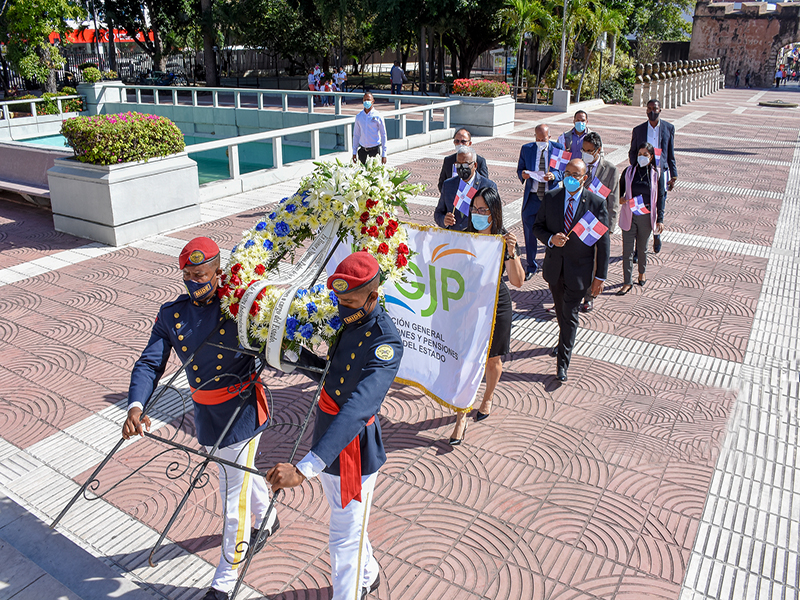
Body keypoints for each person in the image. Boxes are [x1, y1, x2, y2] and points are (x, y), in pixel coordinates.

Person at [122, 237, 278, 600]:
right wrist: (135, 407)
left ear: (218, 272)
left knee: (231, 496)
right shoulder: (172, 314)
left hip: (240, 412)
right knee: (236, 472)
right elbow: (149, 363)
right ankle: (269, 520)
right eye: (188, 274)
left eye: (201, 274)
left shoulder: (239, 304)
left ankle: (224, 583)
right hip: (206, 413)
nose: (194, 281)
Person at [267, 252, 402, 600]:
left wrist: (305, 468)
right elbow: (334, 375)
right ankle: (369, 572)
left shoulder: (386, 342)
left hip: (352, 449)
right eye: (339, 300)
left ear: (374, 296)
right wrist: (294, 356)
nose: (342, 307)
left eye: (350, 301)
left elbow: (358, 407)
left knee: (343, 538)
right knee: (350, 525)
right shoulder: (352, 322)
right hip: (327, 436)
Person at [449, 187, 524, 445]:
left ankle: (488, 397)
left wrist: (512, 254)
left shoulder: (504, 240)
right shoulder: (465, 237)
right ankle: (461, 417)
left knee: (493, 360)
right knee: (466, 362)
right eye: (475, 209)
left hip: (497, 304)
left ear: (494, 213)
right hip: (469, 304)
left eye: (484, 210)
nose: (478, 214)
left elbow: (518, 281)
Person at [532, 158, 610, 382]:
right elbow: (537, 226)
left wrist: (599, 277)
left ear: (584, 178)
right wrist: (550, 239)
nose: (570, 178)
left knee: (570, 315)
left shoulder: (595, 203)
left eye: (575, 175)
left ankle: (562, 363)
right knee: (561, 311)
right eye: (567, 173)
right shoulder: (552, 198)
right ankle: (563, 340)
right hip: (555, 268)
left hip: (580, 271)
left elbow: (602, 244)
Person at [517, 124, 565, 280]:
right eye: (537, 139)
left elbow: (563, 171)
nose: (540, 141)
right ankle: (531, 265)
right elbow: (520, 169)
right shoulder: (527, 149)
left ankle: (551, 264)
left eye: (543, 139)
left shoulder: (558, 148)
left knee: (551, 232)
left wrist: (554, 176)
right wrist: (523, 174)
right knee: (529, 232)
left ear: (549, 137)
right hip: (532, 197)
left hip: (550, 198)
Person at [617, 143, 666, 296]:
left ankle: (642, 272)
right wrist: (621, 198)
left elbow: (661, 197)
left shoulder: (656, 174)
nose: (642, 157)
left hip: (646, 215)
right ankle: (627, 281)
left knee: (642, 249)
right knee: (627, 250)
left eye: (645, 154)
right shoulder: (629, 171)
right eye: (640, 153)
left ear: (651, 157)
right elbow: (620, 189)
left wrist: (660, 218)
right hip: (629, 214)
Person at [628, 99, 676, 255]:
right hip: (644, 174)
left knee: (658, 205)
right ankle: (638, 248)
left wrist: (673, 174)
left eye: (654, 108)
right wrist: (637, 167)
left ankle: (656, 234)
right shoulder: (639, 130)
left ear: (660, 110)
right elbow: (632, 152)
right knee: (640, 209)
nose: (651, 111)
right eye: (648, 109)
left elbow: (670, 153)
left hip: (661, 173)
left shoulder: (668, 128)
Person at [579, 131, 619, 313]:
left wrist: (609, 228)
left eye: (589, 150)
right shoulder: (579, 166)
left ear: (598, 150)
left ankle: (589, 297)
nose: (585, 153)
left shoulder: (610, 170)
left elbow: (614, 201)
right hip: (578, 221)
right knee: (577, 259)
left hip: (597, 224)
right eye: (583, 150)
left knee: (595, 261)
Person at [435, 146, 497, 231]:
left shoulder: (488, 186)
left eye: (465, 164)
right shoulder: (448, 185)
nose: (461, 168)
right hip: (454, 238)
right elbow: (438, 213)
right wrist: (444, 220)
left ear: (475, 165)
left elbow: (496, 217)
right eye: (458, 164)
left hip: (477, 238)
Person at [437, 128, 489, 193]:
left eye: (463, 141)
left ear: (469, 143)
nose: (460, 144)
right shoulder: (448, 160)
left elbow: (484, 184)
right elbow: (442, 183)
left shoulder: (480, 161)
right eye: (457, 141)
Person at [352, 92, 388, 165]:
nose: (366, 102)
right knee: (361, 173)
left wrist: (384, 154)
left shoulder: (378, 116)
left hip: (374, 150)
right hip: (362, 150)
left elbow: (383, 134)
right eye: (364, 100)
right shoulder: (359, 116)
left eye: (368, 100)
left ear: (373, 101)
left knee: (374, 174)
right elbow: (356, 134)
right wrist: (354, 152)